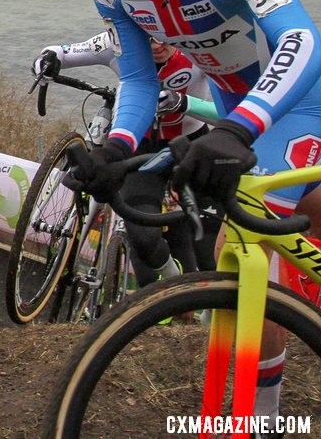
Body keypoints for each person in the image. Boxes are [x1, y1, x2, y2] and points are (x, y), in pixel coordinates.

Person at [42, 0, 321, 421]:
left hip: (301, 103)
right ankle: (264, 419)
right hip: (248, 116)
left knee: (238, 248)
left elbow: (301, 40)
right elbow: (141, 79)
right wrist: (116, 149)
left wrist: (240, 129)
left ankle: (257, 420)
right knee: (251, 260)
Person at [32, 31, 218, 285]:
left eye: (164, 38)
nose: (158, 45)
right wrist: (47, 61)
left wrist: (185, 103)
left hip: (192, 145)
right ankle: (170, 284)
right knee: (142, 236)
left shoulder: (196, 47)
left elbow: (235, 112)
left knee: (208, 245)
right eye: (149, 39)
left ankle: (210, 310)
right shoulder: (118, 42)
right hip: (140, 148)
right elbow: (63, 52)